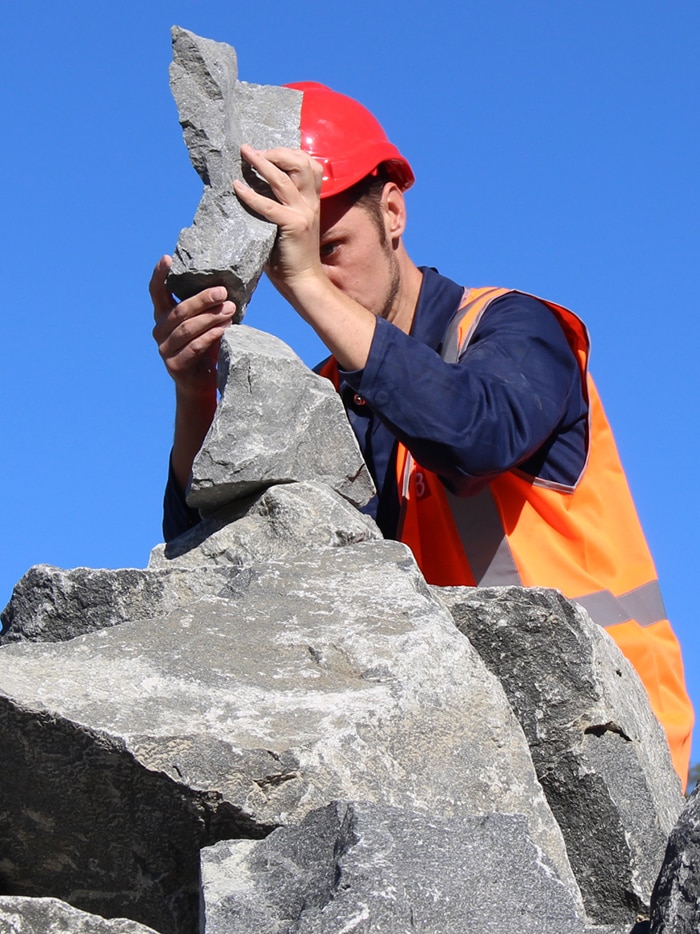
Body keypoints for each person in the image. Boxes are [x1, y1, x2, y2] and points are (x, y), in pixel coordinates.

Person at [150, 82, 693, 788]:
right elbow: (221, 558)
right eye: (290, 267)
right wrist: (196, 396)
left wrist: (308, 284)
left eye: (331, 247)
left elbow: (473, 434)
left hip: (606, 740)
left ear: (394, 211)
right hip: (464, 754)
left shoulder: (512, 326)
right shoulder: (332, 392)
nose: (315, 277)